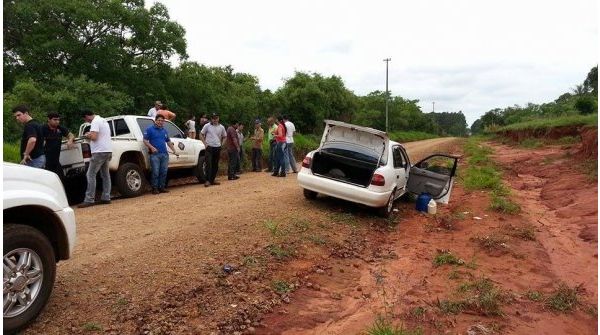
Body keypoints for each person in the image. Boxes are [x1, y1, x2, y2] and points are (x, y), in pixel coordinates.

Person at [78, 109, 113, 208]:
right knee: (105, 175)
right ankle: (106, 197)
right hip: (107, 150)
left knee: (90, 174)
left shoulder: (95, 122)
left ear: (87, 116)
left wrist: (87, 134)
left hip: (99, 151)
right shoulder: (103, 120)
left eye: (86, 119)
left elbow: (94, 137)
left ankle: (89, 199)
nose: (87, 121)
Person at [143, 114, 179, 194]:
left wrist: (174, 150)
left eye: (162, 121)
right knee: (155, 172)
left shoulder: (164, 130)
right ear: (155, 121)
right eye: (159, 120)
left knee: (164, 172)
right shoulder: (149, 129)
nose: (160, 122)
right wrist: (152, 148)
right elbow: (145, 140)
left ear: (163, 122)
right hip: (155, 155)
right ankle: (155, 188)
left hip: (164, 154)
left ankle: (162, 187)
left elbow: (168, 141)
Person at [42, 112, 75, 178]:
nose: (57, 122)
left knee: (61, 178)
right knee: (48, 178)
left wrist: (70, 141)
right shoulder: (43, 128)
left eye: (58, 120)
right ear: (49, 119)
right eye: (55, 120)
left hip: (56, 160)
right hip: (45, 160)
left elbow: (71, 135)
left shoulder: (60, 128)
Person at [200, 113, 227, 187]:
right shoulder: (207, 126)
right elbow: (201, 134)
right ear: (211, 119)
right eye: (213, 118)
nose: (215, 120)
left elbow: (225, 136)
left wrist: (222, 144)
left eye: (216, 118)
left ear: (218, 118)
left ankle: (212, 180)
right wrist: (205, 144)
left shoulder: (221, 127)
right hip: (209, 147)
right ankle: (207, 180)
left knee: (215, 165)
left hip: (217, 147)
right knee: (208, 164)